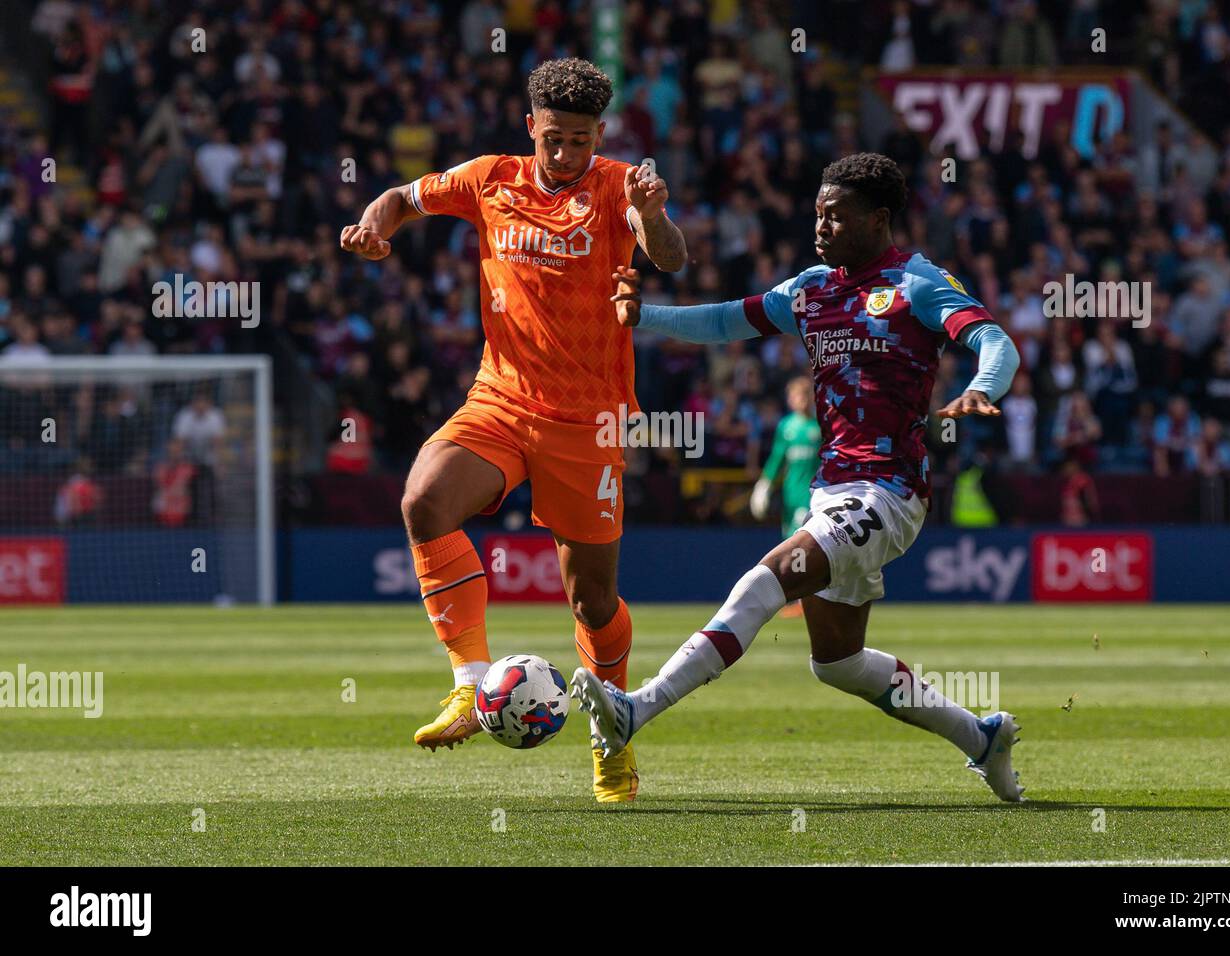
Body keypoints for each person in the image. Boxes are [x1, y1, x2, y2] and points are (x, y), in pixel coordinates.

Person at [575, 153, 1026, 802]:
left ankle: (634, 710)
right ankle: (982, 738)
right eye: (817, 213)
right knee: (838, 664)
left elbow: (994, 340)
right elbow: (729, 319)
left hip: (889, 492)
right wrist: (646, 317)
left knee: (763, 581)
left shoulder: (916, 283)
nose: (821, 226)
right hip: (831, 491)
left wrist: (985, 386)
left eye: (836, 216)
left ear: (878, 219)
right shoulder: (812, 289)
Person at [339, 58, 686, 802]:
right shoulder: (490, 176)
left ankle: (610, 738)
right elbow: (401, 196)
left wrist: (653, 216)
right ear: (531, 127)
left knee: (592, 601)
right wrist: (376, 224)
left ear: (601, 135)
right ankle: (469, 685)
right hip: (501, 398)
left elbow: (671, 257)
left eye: (582, 141)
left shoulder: (621, 185)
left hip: (587, 421)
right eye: (554, 139)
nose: (566, 155)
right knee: (423, 500)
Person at [750, 376, 819, 617]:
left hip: (812, 496)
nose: (800, 400)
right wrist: (764, 484)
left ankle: (803, 600)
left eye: (804, 395)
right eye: (796, 396)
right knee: (789, 541)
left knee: (801, 544)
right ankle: (800, 599)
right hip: (790, 494)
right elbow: (777, 458)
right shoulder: (787, 427)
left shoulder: (820, 426)